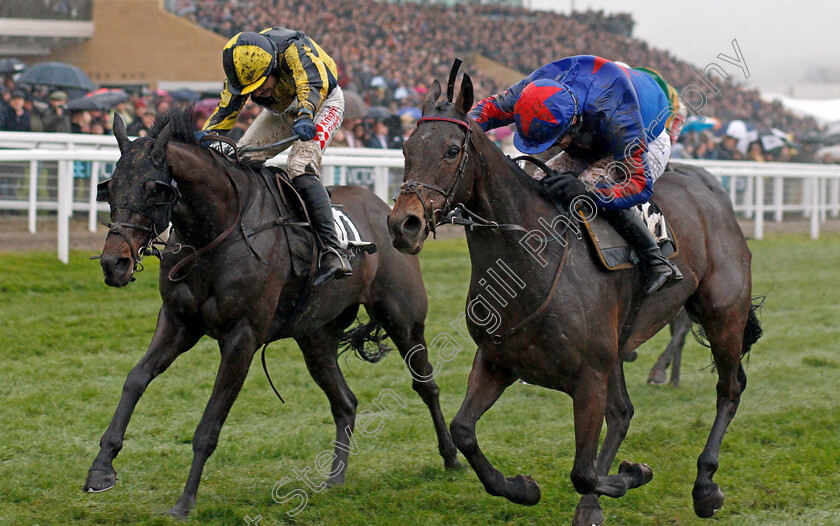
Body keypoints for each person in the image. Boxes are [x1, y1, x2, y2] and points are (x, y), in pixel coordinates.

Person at [469, 55, 682, 295]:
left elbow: (639, 184)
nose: (557, 146)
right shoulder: (531, 90)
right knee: (539, 181)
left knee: (588, 186)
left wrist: (589, 194)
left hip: (647, 136)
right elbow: (486, 111)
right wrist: (457, 124)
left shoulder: (616, 112)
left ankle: (656, 261)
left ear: (574, 121)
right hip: (593, 130)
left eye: (558, 139)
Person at [199, 27, 350, 286]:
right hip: (285, 109)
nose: (257, 95)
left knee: (299, 166)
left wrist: (305, 115)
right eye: (250, 91)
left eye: (260, 86)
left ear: (273, 67)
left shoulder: (293, 50)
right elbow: (226, 111)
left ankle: (333, 250)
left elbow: (311, 84)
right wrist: (204, 136)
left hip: (323, 100)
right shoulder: (243, 70)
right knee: (241, 157)